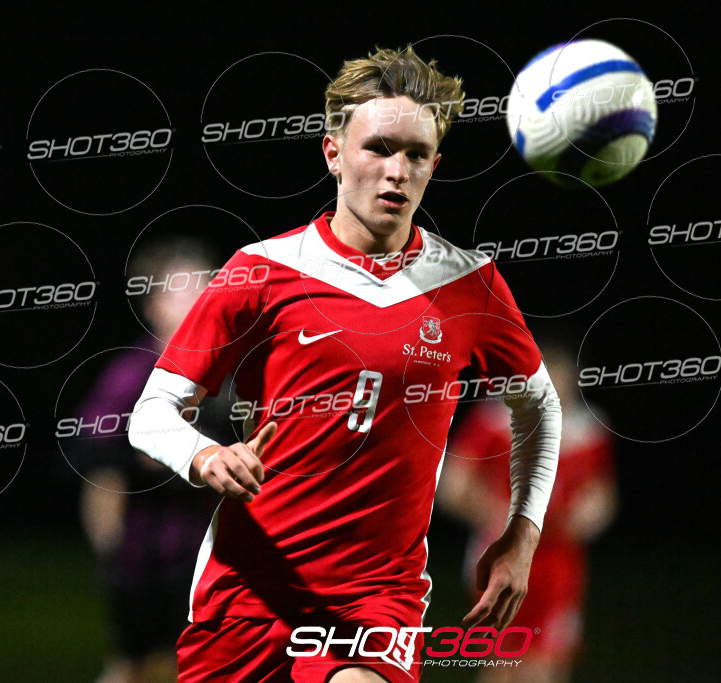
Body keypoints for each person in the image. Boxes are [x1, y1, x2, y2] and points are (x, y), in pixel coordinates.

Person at [128, 46, 562, 683]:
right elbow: (151, 415)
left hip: (378, 598)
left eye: (416, 154)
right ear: (333, 153)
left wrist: (523, 533)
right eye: (378, 148)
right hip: (248, 588)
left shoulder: (471, 284)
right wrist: (204, 456)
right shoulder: (261, 272)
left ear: (435, 165)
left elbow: (539, 406)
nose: (397, 171)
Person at [73, 240, 237, 683]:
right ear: (152, 306)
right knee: (140, 667)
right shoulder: (131, 375)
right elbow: (97, 461)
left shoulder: (230, 373)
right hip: (145, 558)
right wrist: (110, 547)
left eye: (202, 289)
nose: (192, 302)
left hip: (210, 557)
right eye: (178, 292)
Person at [439, 345, 618, 683]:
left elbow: (602, 495)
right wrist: (499, 514)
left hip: (559, 560)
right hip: (503, 555)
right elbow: (453, 485)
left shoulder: (588, 429)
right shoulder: (496, 420)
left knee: (549, 666)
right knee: (504, 664)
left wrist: (589, 515)